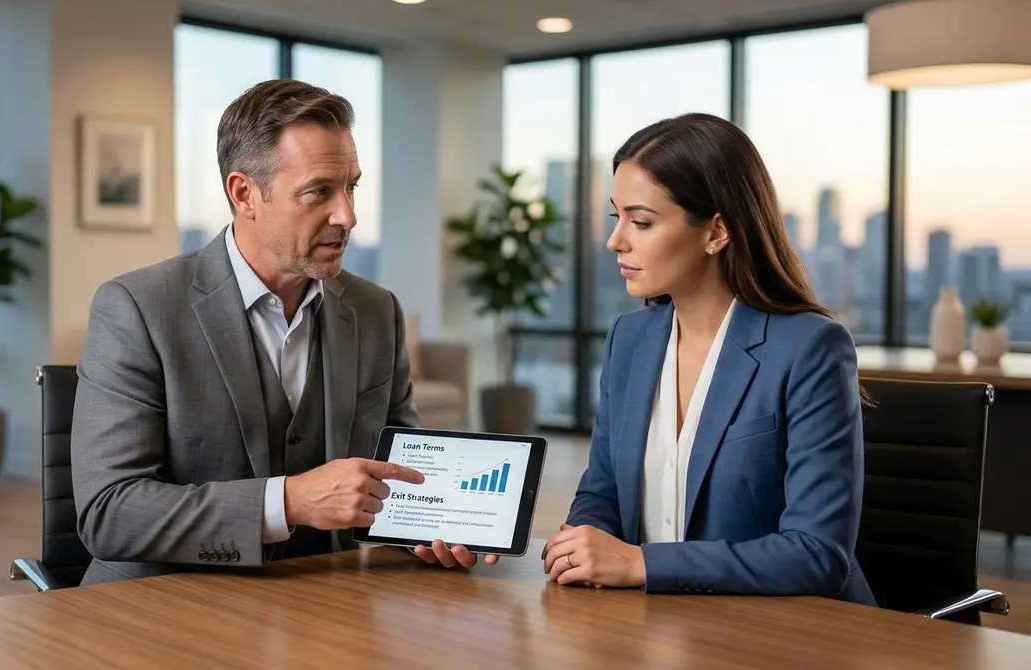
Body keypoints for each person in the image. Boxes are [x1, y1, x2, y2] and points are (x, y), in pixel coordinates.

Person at [70, 79, 491, 586]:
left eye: (351, 186)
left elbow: (398, 473)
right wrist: (290, 502)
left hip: (329, 598)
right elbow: (109, 514)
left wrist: (428, 525)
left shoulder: (377, 311)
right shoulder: (138, 308)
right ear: (244, 193)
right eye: (319, 192)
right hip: (169, 602)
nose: (348, 216)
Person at [541, 113, 876, 606]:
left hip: (787, 636)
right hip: (653, 626)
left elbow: (816, 553)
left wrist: (639, 563)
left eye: (642, 221)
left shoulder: (810, 347)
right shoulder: (627, 339)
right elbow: (603, 493)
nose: (616, 240)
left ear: (716, 231)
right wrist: (583, 546)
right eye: (618, 218)